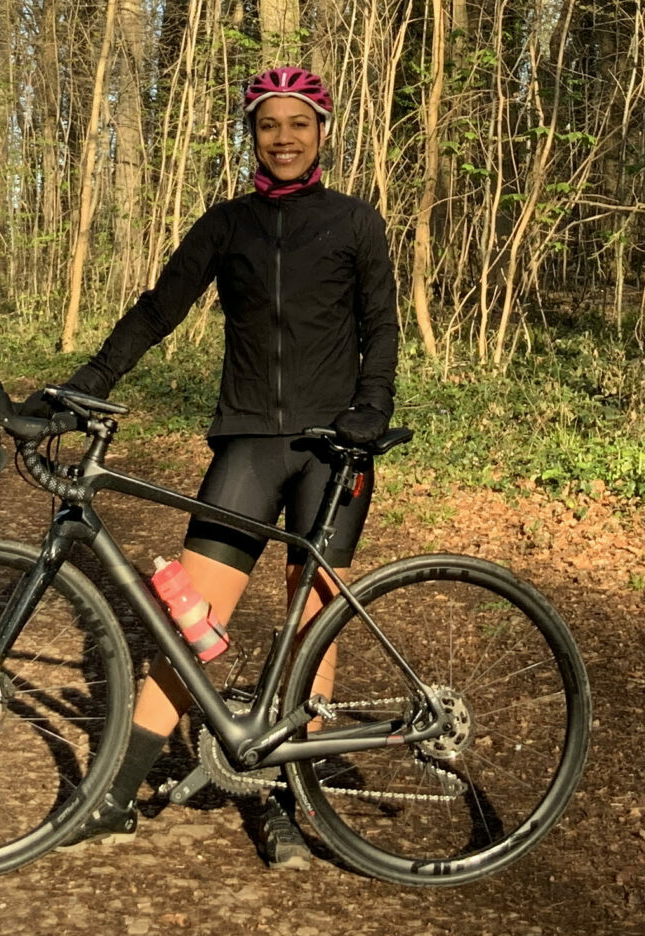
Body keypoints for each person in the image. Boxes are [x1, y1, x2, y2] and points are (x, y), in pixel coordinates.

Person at [57, 64, 399, 852]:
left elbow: (380, 326)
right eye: (268, 125)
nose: (283, 139)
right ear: (253, 134)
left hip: (333, 448)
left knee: (310, 630)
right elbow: (158, 310)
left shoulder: (353, 222)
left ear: (322, 132)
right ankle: (113, 795)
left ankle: (289, 790)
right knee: (189, 624)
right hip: (247, 443)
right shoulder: (227, 224)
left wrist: (371, 408)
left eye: (298, 125)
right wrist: (86, 384)